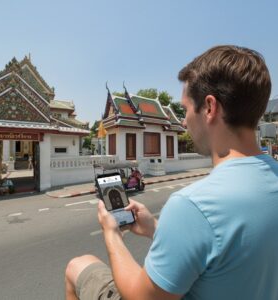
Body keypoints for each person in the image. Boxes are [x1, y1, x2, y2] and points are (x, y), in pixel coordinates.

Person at [65, 45, 278, 300]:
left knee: (77, 266)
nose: (184, 122)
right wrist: (157, 228)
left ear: (209, 108)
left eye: (185, 109)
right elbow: (227, 248)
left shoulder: (193, 205)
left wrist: (112, 234)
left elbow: (141, 297)